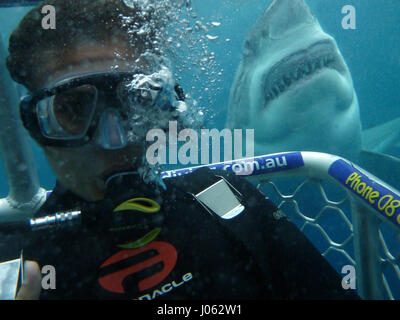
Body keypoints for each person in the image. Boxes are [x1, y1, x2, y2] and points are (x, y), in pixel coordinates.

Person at [1, 0, 359, 300]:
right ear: (35, 125)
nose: (114, 138)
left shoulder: (226, 197)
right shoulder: (8, 265)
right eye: (74, 109)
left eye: (133, 99)